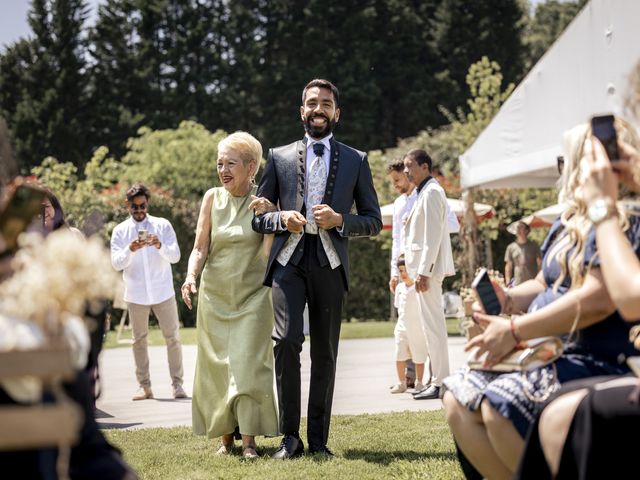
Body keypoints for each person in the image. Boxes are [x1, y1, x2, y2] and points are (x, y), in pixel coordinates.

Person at [443, 119, 640, 479]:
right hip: (546, 346)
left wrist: (515, 330)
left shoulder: (624, 219)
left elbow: (598, 299)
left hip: (593, 355)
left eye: (569, 159)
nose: (563, 169)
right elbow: (542, 280)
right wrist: (509, 297)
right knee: (457, 396)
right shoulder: (566, 221)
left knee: (499, 406)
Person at [251, 78, 382, 459]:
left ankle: (320, 442)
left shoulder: (357, 160)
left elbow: (372, 220)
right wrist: (281, 219)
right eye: (312, 103)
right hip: (288, 263)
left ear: (336, 113)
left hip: (329, 264)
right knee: (287, 341)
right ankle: (290, 438)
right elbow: (257, 219)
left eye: (326, 103)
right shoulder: (278, 157)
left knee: (325, 353)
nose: (318, 109)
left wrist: (341, 220)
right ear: (302, 110)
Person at [516, 112, 640, 477]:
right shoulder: (567, 221)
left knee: (565, 413)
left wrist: (603, 207)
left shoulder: (623, 218)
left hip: (603, 356)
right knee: (559, 409)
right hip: (583, 352)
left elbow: (625, 298)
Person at [181, 131, 279, 459]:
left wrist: (269, 219)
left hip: (253, 298)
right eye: (219, 163)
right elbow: (200, 246)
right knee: (217, 368)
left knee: (249, 365)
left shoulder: (263, 203)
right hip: (214, 297)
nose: (223, 169)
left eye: (231, 163)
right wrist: (190, 276)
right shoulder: (211, 198)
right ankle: (226, 440)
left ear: (251, 167)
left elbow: (268, 256)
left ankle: (249, 441)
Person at [110, 183, 186, 401]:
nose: (139, 210)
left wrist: (159, 244)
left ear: (148, 203)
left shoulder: (162, 225)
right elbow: (116, 263)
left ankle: (177, 385)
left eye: (142, 206)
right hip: (136, 294)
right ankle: (145, 387)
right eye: (135, 207)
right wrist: (130, 249)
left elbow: (176, 256)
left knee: (173, 338)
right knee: (139, 341)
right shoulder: (120, 231)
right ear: (127, 205)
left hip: (163, 292)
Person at [402, 148, 455, 401]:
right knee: (430, 327)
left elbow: (432, 237)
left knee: (434, 327)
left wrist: (424, 272)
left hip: (428, 272)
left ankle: (441, 381)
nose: (405, 170)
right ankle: (438, 380)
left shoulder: (432, 191)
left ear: (425, 167)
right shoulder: (424, 192)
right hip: (425, 271)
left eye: (409, 165)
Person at [391, 254, 428, 393]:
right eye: (400, 271)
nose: (403, 273)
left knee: (419, 357)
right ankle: (401, 383)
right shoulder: (399, 288)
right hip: (401, 327)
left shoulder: (418, 288)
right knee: (399, 355)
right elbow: (398, 307)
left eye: (405, 270)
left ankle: (419, 382)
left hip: (417, 329)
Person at [504, 222, 541, 286]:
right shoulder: (511, 247)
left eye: (520, 227)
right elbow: (508, 266)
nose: (518, 229)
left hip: (533, 283)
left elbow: (540, 264)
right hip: (518, 284)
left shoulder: (534, 246)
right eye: (517, 227)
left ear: (526, 230)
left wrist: (539, 280)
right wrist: (508, 282)